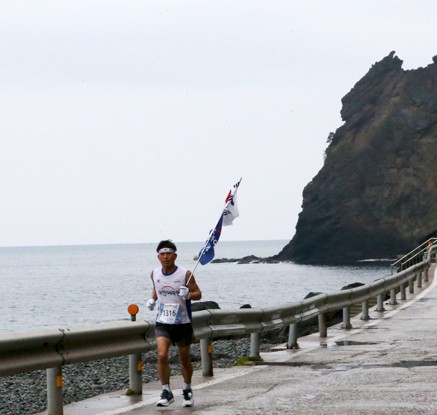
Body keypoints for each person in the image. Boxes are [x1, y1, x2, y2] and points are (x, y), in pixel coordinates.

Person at [147, 240, 202, 407]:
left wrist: (189, 295)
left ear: (175, 256)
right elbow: (158, 287)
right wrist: (152, 299)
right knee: (162, 355)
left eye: (168, 253)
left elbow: (198, 293)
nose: (165, 257)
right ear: (158, 257)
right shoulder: (154, 273)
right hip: (163, 322)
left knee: (184, 359)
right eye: (162, 254)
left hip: (182, 323)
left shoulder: (185, 274)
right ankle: (166, 391)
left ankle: (187, 389)